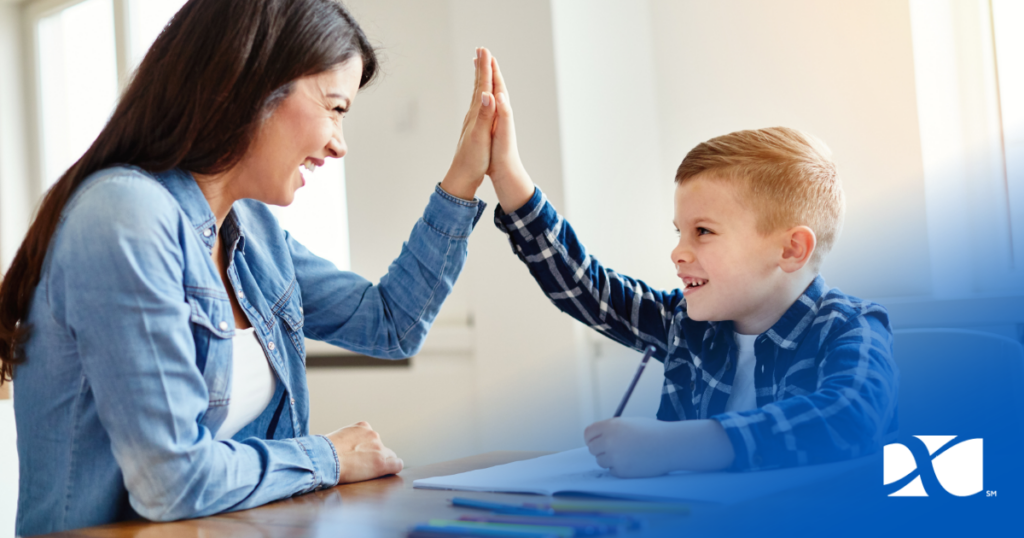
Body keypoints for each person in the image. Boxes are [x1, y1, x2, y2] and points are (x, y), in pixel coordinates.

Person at [0, 1, 503, 535]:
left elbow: (391, 323)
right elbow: (172, 482)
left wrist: (464, 178)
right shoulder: (125, 217)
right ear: (253, 83)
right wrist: (327, 456)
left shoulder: (252, 231)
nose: (339, 143)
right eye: (334, 107)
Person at [481, 61, 898, 477]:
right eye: (679, 231)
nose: (677, 253)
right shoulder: (687, 323)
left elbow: (851, 416)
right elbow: (587, 288)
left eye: (703, 231)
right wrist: (508, 176)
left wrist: (676, 445)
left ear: (790, 250)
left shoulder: (850, 327)